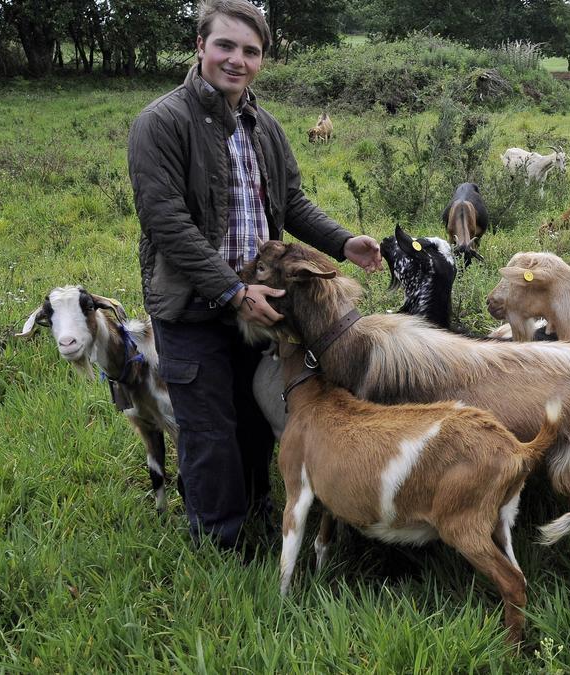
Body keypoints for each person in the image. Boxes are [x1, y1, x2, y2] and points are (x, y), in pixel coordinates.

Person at [127, 0, 382, 554]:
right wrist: (232, 290)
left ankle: (258, 514)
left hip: (260, 303)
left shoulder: (263, 126)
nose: (236, 60)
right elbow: (166, 222)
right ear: (200, 47)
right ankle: (219, 544)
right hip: (196, 307)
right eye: (225, 46)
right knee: (208, 431)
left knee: (251, 421)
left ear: (263, 59)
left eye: (251, 51)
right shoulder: (161, 123)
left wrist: (342, 242)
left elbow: (289, 201)